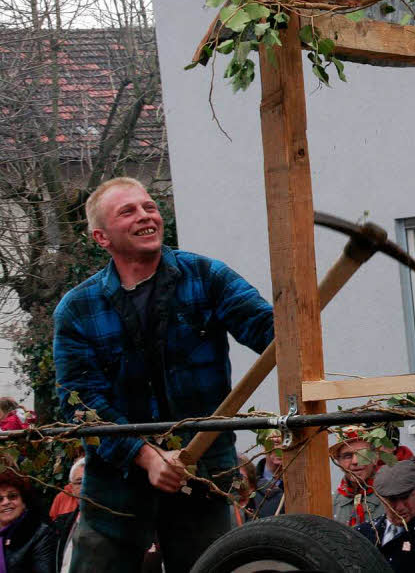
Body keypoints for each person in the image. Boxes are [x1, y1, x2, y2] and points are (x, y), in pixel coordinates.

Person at [52, 177, 275, 572]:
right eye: (129, 211)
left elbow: (267, 333)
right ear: (101, 237)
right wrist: (146, 455)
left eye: (149, 206)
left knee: (207, 567)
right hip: (114, 483)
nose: (146, 216)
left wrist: (298, 311)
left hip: (201, 471)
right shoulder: (78, 308)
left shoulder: (206, 276)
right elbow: (80, 404)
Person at [356, 459, 415, 573]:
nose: (400, 507)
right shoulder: (363, 534)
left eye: (405, 497)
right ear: (381, 498)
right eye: (392, 499)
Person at [0, 470, 56, 573]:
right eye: (0, 499)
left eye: (12, 496)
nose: (6, 502)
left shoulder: (39, 533)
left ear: (24, 502)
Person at [331, 425, 385, 527]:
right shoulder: (330, 503)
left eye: (362, 454)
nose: (355, 461)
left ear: (375, 457)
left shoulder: (392, 497)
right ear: (339, 462)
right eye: (347, 456)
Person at [253, 432, 285, 518]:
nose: (279, 448)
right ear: (263, 446)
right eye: (274, 443)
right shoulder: (248, 483)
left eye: (285, 441)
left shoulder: (307, 485)